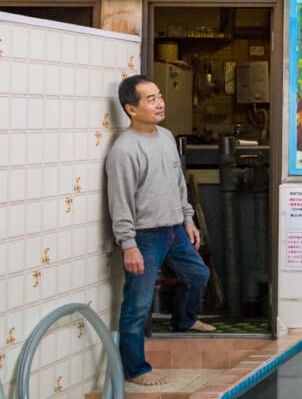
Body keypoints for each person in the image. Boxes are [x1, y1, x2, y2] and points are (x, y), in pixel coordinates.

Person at [107, 74, 215, 386]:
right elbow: (120, 201)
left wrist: (188, 219)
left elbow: (178, 183)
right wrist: (128, 244)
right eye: (151, 99)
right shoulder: (125, 150)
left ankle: (185, 320)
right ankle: (136, 369)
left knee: (199, 275)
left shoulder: (166, 136)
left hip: (174, 229)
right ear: (130, 108)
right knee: (137, 304)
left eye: (159, 96)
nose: (160, 102)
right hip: (145, 236)